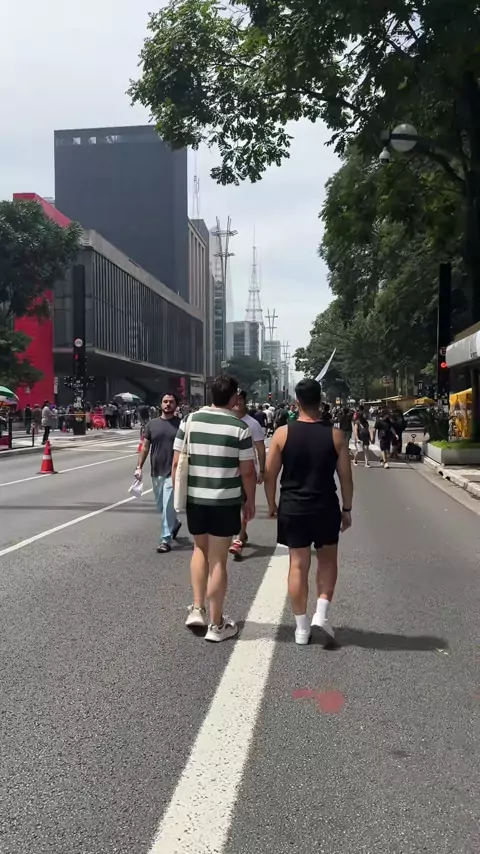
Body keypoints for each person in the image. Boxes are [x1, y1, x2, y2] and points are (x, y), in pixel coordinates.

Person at [265, 378, 353, 646]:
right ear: (321, 400)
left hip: (293, 506)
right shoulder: (336, 435)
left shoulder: (282, 434)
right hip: (325, 505)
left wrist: (272, 504)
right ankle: (321, 613)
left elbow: (270, 475)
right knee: (327, 561)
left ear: (297, 402)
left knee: (298, 564)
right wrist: (347, 508)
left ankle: (301, 629)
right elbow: (346, 478)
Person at [172, 375, 256, 642]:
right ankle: (217, 625)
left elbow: (176, 462)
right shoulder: (239, 427)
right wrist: (250, 501)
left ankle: (197, 609)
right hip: (225, 500)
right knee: (218, 559)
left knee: (199, 550)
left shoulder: (189, 420)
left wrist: (178, 494)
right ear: (234, 398)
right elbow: (247, 472)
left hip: (196, 499)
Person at [135, 393, 182, 553]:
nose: (168, 404)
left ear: (176, 405)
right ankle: (175, 524)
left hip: (174, 471)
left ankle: (165, 540)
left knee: (168, 504)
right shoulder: (151, 425)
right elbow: (145, 447)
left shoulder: (181, 425)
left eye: (171, 402)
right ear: (161, 404)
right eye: (165, 401)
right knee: (161, 506)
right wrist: (139, 467)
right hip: (156, 471)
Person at [229, 389, 266, 560]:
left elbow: (260, 449)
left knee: (245, 504)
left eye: (240, 400)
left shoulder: (253, 424)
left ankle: (238, 538)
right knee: (231, 505)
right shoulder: (225, 421)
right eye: (235, 399)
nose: (237, 402)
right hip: (228, 471)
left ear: (245, 402)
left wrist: (262, 471)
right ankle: (240, 533)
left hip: (247, 471)